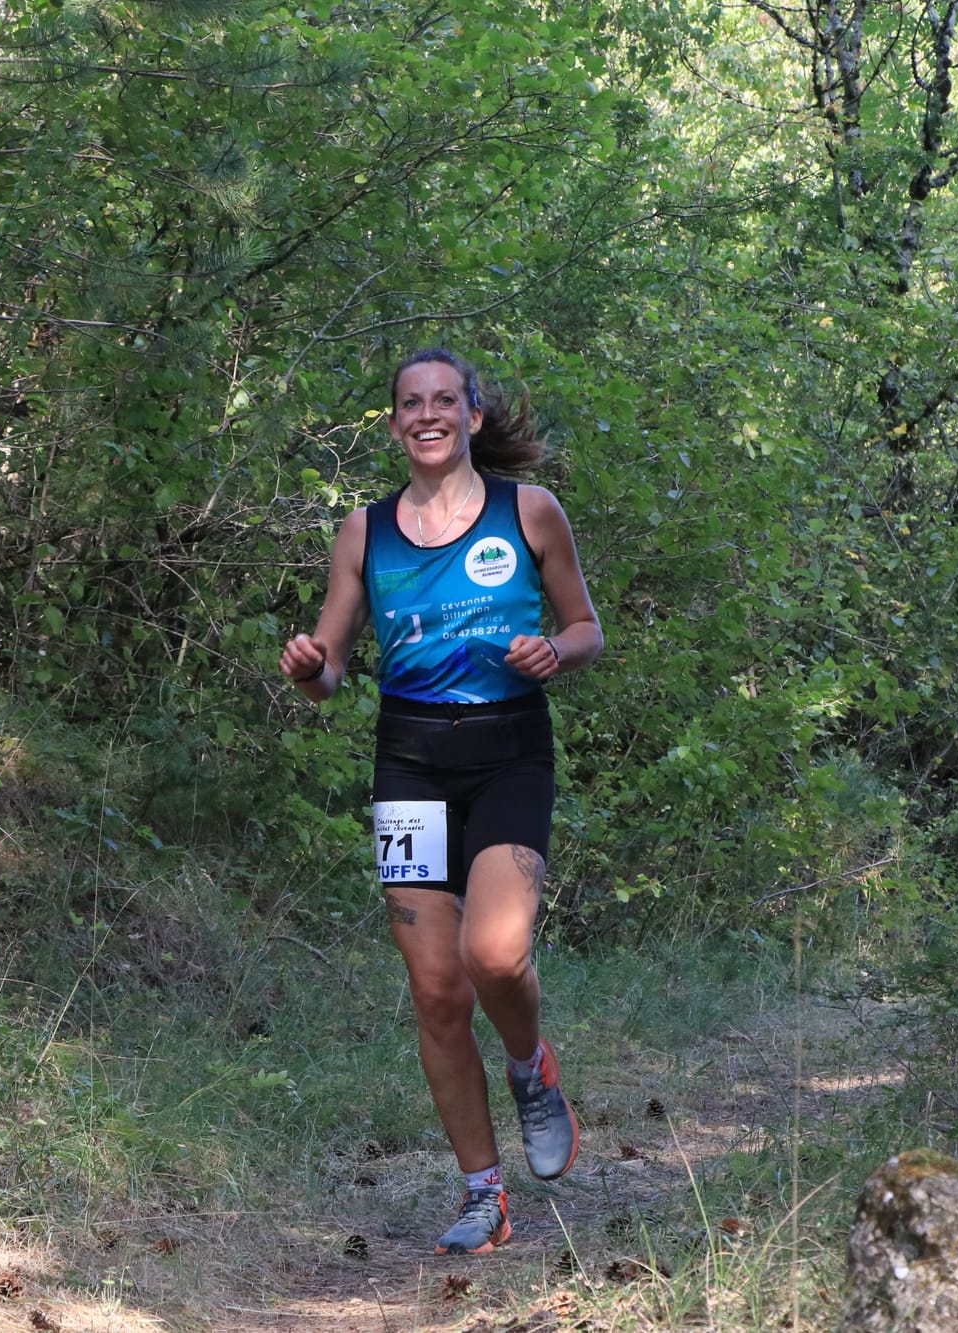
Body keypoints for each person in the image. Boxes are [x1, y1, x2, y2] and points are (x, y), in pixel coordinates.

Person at [278, 348, 603, 1256]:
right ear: (394, 424)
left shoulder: (527, 511)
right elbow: (333, 669)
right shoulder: (363, 531)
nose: (427, 414)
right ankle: (482, 1194)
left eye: (444, 400)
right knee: (435, 989)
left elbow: (588, 629)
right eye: (410, 404)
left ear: (470, 415)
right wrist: (312, 666)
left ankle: (532, 1065)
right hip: (410, 765)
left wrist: (556, 652)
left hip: (509, 753)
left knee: (495, 953)